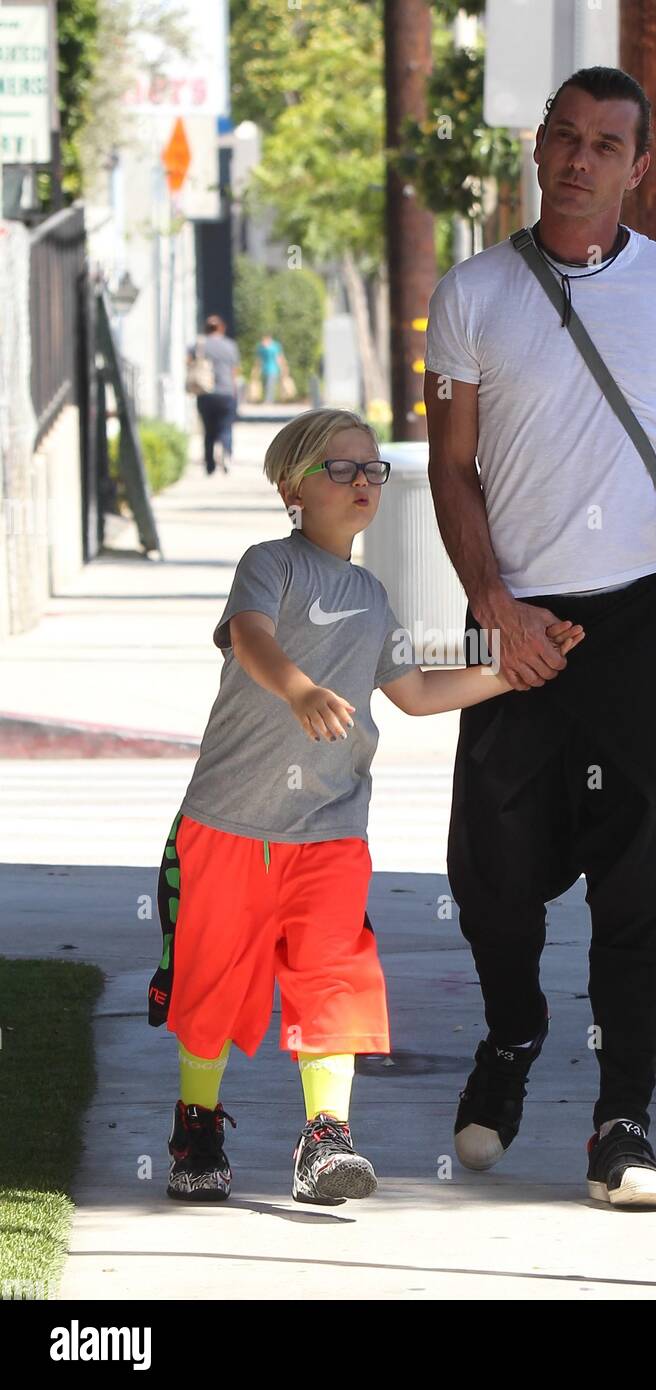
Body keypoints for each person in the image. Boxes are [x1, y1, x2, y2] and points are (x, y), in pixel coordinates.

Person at [424, 65, 656, 1210]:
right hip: (515, 618)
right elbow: (451, 463)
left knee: (642, 872)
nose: (577, 159)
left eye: (603, 145)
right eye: (562, 138)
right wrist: (493, 609)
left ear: (638, 167)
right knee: (491, 869)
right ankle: (513, 1033)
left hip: (639, 618)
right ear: (538, 149)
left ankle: (621, 1120)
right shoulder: (472, 292)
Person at [146, 406, 584, 1205]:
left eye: (372, 470)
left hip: (330, 828)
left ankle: (326, 1141)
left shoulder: (372, 595)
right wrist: (301, 690)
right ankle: (197, 1128)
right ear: (293, 486)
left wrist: (516, 668)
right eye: (341, 469)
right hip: (228, 825)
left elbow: (415, 692)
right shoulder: (269, 565)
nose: (361, 483)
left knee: (334, 978)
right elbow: (248, 635)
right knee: (210, 988)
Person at [187, 315, 240, 475]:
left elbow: (188, 362)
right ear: (222, 328)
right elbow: (234, 371)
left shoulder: (199, 344)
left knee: (208, 430)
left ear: (206, 328)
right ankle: (226, 452)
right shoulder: (230, 345)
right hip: (226, 393)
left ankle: (209, 464)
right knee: (226, 427)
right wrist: (235, 392)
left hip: (205, 392)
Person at [254, 334, 289, 404]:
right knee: (265, 385)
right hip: (264, 369)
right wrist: (256, 370)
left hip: (273, 369)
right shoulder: (261, 347)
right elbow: (259, 360)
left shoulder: (275, 347)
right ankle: (268, 399)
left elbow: (279, 358)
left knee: (270, 385)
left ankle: (269, 400)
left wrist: (283, 368)